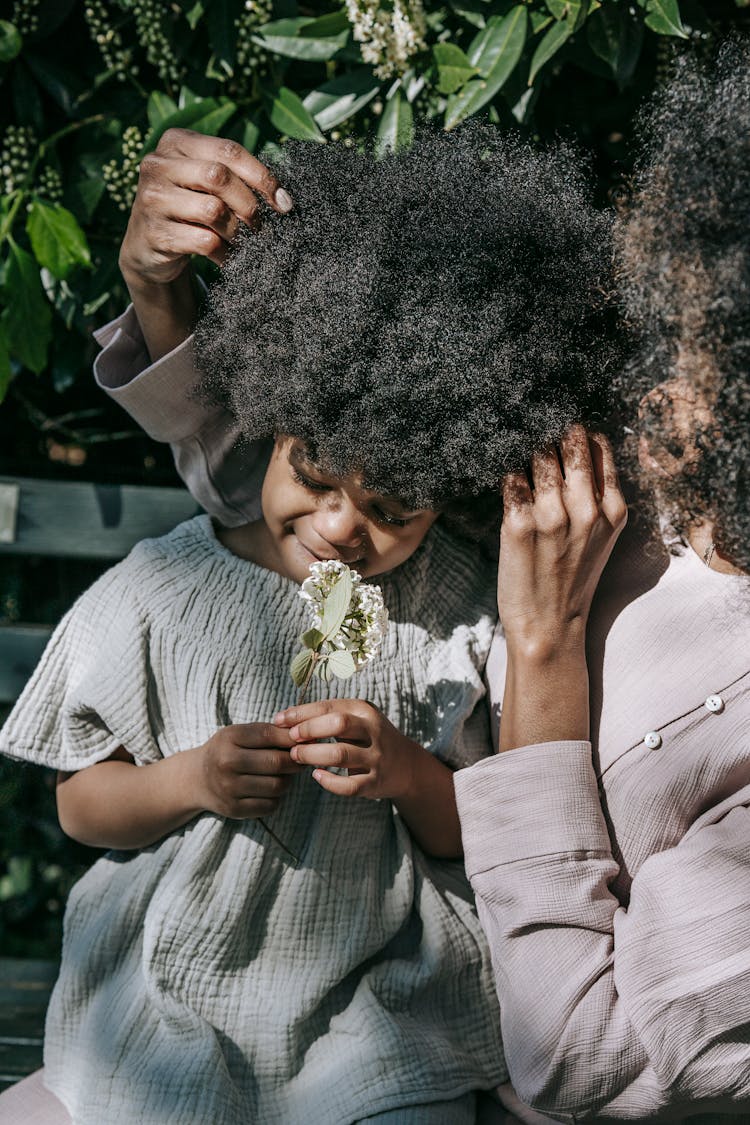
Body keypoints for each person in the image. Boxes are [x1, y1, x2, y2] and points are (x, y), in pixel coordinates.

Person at [0, 126, 623, 1124]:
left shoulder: (461, 615)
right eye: (318, 480)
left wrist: (414, 777)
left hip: (376, 1009)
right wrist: (193, 778)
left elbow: (492, 826)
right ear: (266, 420)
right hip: (168, 998)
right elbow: (82, 806)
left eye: (393, 509)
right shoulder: (162, 588)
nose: (342, 530)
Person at [454, 37, 750, 1123]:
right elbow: (304, 496)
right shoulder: (667, 473)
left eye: (701, 353)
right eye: (671, 321)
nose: (651, 384)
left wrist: (541, 646)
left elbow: (578, 1058)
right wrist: (165, 299)